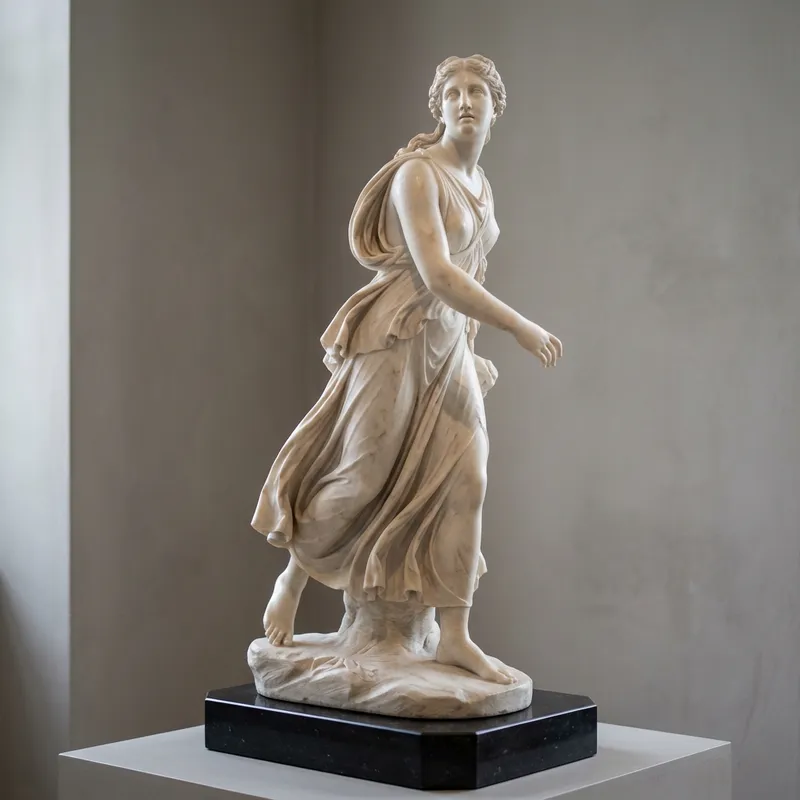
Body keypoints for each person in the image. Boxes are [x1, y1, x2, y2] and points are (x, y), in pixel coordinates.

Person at [252, 55, 562, 684]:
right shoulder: (417, 174)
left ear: (495, 108)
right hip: (395, 336)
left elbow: (471, 270)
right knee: (360, 477)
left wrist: (472, 345)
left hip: (449, 344)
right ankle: (291, 581)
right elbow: (438, 274)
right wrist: (519, 327)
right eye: (454, 92)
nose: (465, 101)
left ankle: (455, 636)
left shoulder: (481, 184)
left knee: (468, 481)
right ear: (438, 107)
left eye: (477, 92)